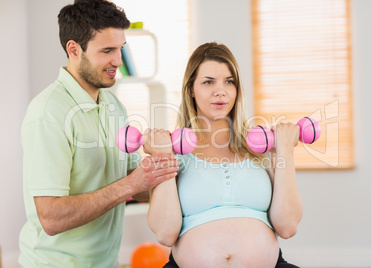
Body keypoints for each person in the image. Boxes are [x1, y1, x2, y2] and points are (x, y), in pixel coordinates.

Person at [18, 1, 179, 267]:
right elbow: (51, 218)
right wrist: (133, 184)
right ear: (74, 49)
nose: (117, 61)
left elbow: (133, 182)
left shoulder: (113, 104)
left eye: (120, 49)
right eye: (107, 51)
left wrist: (167, 173)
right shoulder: (48, 112)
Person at [147, 42, 303, 268]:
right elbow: (165, 233)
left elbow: (287, 226)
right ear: (191, 89)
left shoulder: (263, 150)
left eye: (229, 82)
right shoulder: (172, 152)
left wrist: (285, 151)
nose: (220, 91)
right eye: (208, 82)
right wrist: (162, 156)